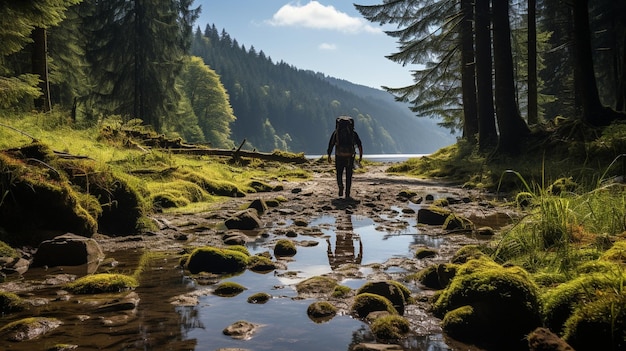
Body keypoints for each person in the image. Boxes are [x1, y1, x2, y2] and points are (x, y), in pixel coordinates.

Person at [327, 116, 363, 199]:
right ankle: (347, 193)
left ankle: (340, 186)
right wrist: (360, 156)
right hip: (350, 156)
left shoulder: (336, 133)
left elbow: (331, 144)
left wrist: (329, 155)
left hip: (339, 155)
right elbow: (360, 145)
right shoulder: (353, 133)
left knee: (339, 173)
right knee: (348, 174)